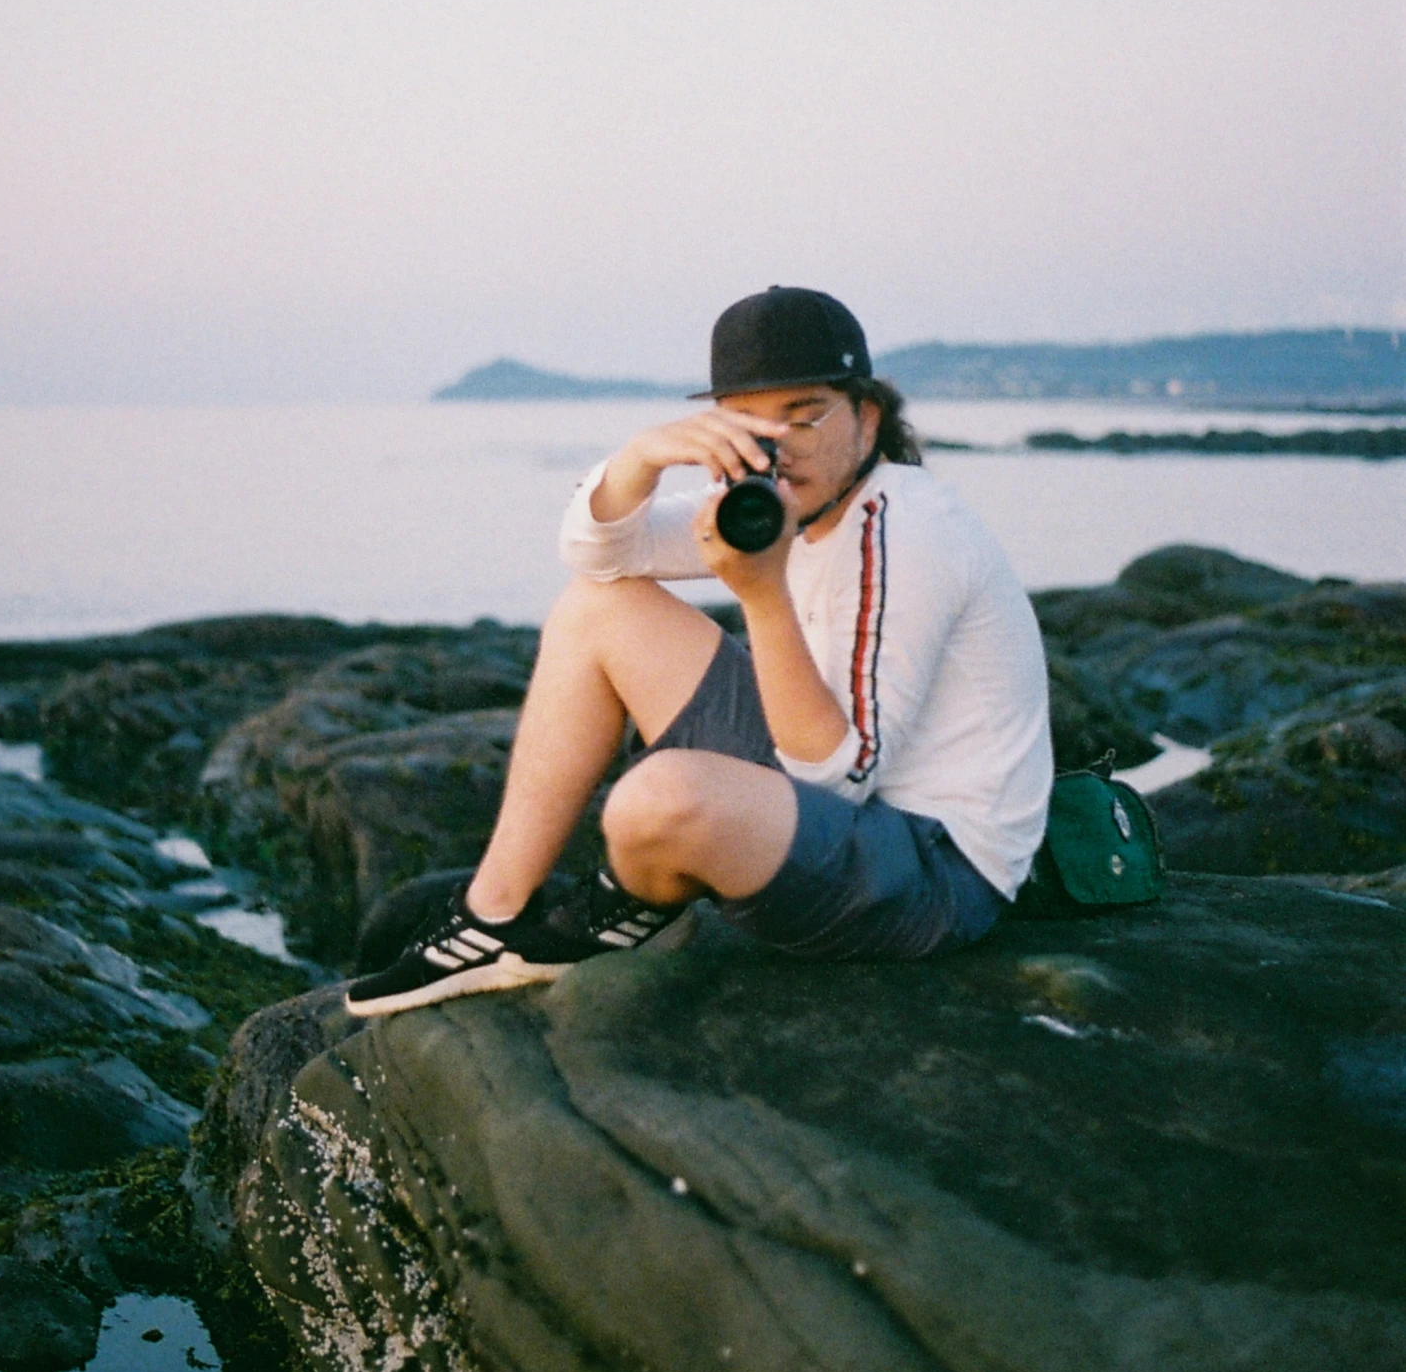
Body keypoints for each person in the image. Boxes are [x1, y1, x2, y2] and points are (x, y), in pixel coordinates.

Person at [344, 285, 1052, 1016]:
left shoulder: (904, 527)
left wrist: (761, 593)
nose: (780, 448)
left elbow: (842, 779)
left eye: (803, 417)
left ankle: (623, 906)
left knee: (653, 800)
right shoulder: (778, 504)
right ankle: (491, 917)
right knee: (598, 606)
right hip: (838, 800)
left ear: (867, 416)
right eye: (748, 424)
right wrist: (641, 457)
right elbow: (598, 553)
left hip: (932, 871)